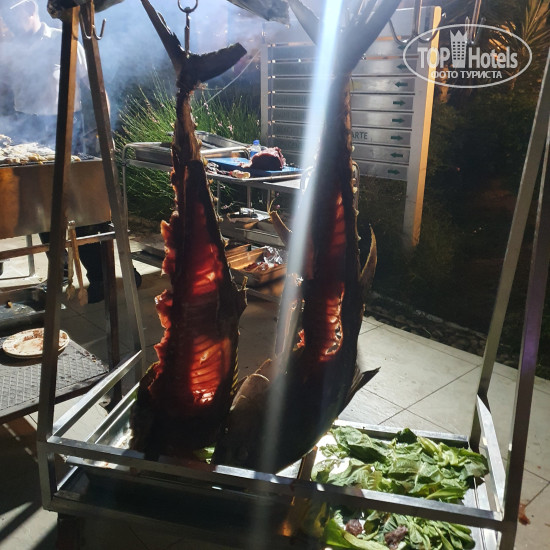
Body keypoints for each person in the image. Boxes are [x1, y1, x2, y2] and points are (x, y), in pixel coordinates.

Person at [0, 0, 141, 301]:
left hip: (65, 127)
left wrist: (104, 129)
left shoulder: (63, 39)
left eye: (12, 14)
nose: (8, 22)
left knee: (83, 207)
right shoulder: (10, 49)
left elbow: (94, 84)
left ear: (30, 9)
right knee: (42, 207)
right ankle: (61, 274)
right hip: (28, 130)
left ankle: (102, 277)